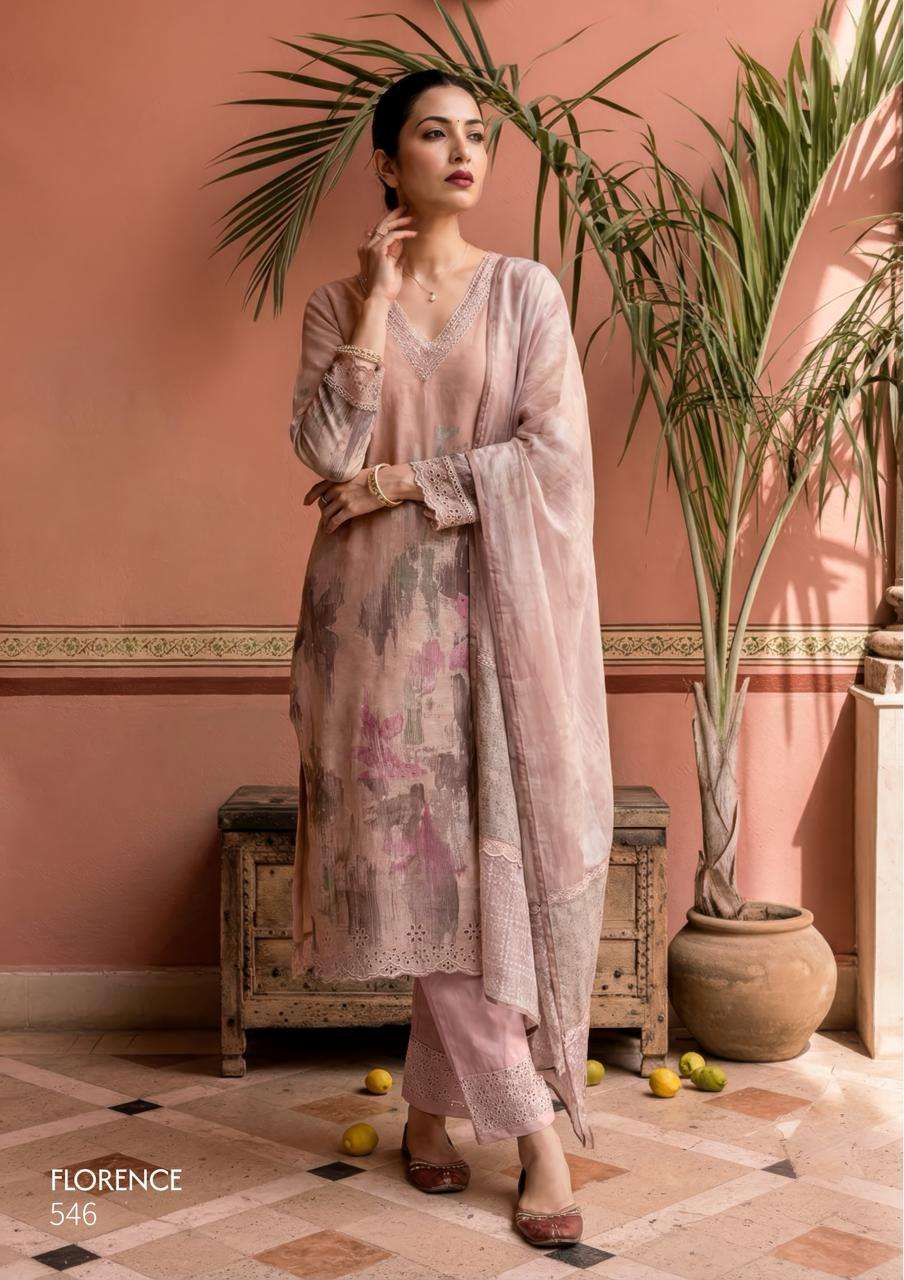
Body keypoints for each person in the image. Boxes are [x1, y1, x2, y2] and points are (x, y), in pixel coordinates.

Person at [287, 68, 614, 1248]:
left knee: (474, 884)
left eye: (477, 134)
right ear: (388, 162)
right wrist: (375, 308)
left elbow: (554, 456)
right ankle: (510, 1130)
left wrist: (402, 481)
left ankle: (468, 1117)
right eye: (434, 133)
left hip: (495, 634)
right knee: (430, 882)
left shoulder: (524, 293)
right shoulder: (336, 304)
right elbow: (324, 449)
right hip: (369, 640)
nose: (463, 151)